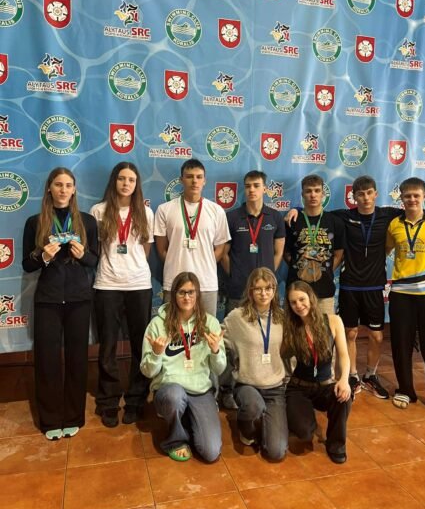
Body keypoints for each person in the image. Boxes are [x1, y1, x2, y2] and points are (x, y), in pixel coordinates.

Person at [286, 175, 425, 400]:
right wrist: (295, 208)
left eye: (369, 193)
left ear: (376, 194)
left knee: (377, 336)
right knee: (350, 333)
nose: (365, 198)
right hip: (350, 285)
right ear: (353, 196)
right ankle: (353, 375)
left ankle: (371, 375)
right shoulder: (343, 216)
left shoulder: (388, 215)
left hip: (375, 286)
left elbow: (416, 208)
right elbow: (315, 213)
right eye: (360, 194)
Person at [22, 167, 98, 440]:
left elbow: (95, 260)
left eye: (68, 185)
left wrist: (83, 255)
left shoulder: (87, 221)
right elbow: (27, 264)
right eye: (58, 184)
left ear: (74, 189)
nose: (63, 190)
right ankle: (50, 419)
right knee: (47, 360)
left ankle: (74, 416)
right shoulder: (35, 222)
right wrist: (43, 257)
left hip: (79, 298)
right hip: (48, 299)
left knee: (77, 359)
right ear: (49, 188)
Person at [91, 162, 154, 427]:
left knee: (140, 345)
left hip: (139, 284)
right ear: (114, 181)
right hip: (107, 284)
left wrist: (132, 268)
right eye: (121, 178)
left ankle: (136, 399)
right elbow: (96, 248)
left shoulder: (146, 212)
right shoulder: (99, 210)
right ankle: (108, 401)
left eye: (131, 179)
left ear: (136, 184)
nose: (126, 183)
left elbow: (146, 248)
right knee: (108, 346)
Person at [141, 272, 226, 462]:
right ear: (173, 295)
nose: (187, 297)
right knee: (174, 396)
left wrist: (215, 351)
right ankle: (176, 440)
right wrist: (156, 353)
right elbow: (147, 371)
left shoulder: (210, 323)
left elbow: (220, 369)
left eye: (191, 292)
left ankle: (188, 419)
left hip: (200, 390)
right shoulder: (157, 324)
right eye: (181, 292)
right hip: (170, 388)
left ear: (198, 294)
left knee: (211, 452)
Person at [220, 170, 285, 409]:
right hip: (238, 290)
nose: (251, 190)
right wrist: (239, 277)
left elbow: (278, 252)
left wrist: (265, 280)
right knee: (231, 345)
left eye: (256, 185)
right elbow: (224, 254)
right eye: (248, 186)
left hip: (267, 294)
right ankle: (226, 390)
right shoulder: (232, 217)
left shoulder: (275, 217)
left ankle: (263, 383)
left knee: (264, 340)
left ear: (265, 188)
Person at [386, 177, 425, 419]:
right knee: (400, 345)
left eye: (416, 195)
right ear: (401, 198)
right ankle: (405, 390)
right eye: (407, 196)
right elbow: (386, 250)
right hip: (402, 295)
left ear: (424, 197)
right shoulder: (393, 225)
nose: (412, 199)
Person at [222, 267, 288, 461]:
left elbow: (290, 351)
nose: (263, 293)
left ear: (274, 290)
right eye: (258, 288)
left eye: (268, 288)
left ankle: (267, 423)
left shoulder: (282, 317)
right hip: (247, 384)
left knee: (276, 452)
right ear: (250, 291)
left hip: (275, 387)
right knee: (253, 407)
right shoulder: (237, 317)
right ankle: (246, 426)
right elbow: (219, 337)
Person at [282, 281, 352, 464]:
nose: (299, 305)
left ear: (311, 298)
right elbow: (282, 354)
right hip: (299, 387)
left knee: (344, 398)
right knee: (304, 432)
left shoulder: (333, 321)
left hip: (325, 386)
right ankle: (299, 416)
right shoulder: (290, 326)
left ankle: (336, 445)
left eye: (302, 299)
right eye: (293, 302)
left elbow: (344, 356)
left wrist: (344, 380)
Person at [154, 159, 230, 317]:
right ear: (181, 180)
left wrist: (205, 263)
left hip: (206, 283)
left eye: (199, 177)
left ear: (204, 181)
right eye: (189, 176)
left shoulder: (216, 211)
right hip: (174, 282)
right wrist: (176, 263)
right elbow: (161, 249)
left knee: (207, 328)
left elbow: (220, 248)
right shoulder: (164, 210)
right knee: (172, 328)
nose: (194, 181)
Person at [284, 174, 345, 315]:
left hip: (324, 290)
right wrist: (301, 266)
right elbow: (286, 253)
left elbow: (338, 254)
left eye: (317, 191)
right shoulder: (292, 221)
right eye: (308, 191)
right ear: (302, 194)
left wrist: (326, 269)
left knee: (325, 327)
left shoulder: (335, 222)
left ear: (323, 194)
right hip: (297, 290)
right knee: (295, 328)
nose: (313, 195)